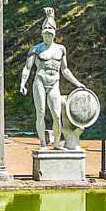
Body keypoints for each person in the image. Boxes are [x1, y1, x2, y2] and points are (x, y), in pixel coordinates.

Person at [19, 8, 83, 149]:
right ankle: (43, 143)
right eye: (45, 30)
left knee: (57, 114)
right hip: (40, 82)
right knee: (41, 112)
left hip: (54, 82)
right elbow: (27, 68)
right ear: (42, 32)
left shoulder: (61, 49)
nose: (47, 33)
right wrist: (23, 83)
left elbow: (65, 70)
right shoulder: (36, 49)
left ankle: (56, 143)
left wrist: (77, 83)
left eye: (50, 30)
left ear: (54, 33)